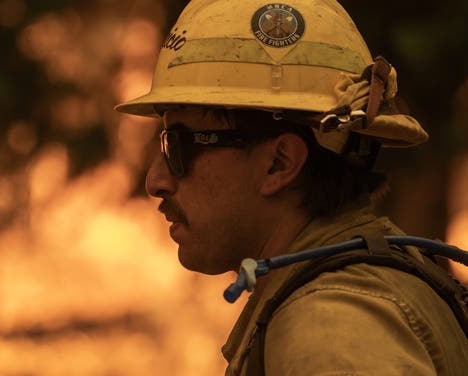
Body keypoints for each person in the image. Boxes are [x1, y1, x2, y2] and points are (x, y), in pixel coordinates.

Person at [115, 0, 468, 374]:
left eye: (180, 146)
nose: (156, 181)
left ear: (279, 163)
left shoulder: (332, 329)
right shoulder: (365, 286)